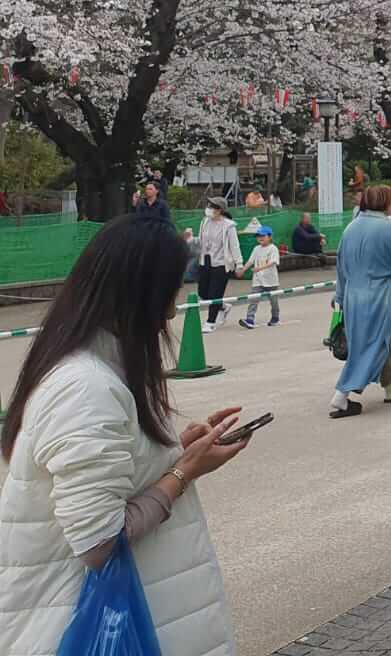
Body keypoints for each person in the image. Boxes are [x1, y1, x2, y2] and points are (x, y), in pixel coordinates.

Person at [0, 216, 250, 656]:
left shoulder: (91, 369)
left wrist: (176, 449)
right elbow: (97, 540)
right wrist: (184, 471)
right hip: (83, 623)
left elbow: (111, 473)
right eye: (169, 292)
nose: (172, 311)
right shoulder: (85, 388)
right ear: (137, 296)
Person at [330, 185, 391, 418]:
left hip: (353, 294)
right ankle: (341, 395)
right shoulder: (388, 229)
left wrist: (339, 295)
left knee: (371, 342)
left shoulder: (351, 227)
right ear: (385, 202)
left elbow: (340, 265)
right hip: (379, 295)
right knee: (374, 343)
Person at [196, 196, 241, 332]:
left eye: (212, 206)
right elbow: (200, 240)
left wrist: (239, 264)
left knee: (215, 293)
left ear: (219, 210)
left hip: (222, 263)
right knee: (203, 292)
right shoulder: (205, 222)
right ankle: (223, 306)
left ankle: (210, 322)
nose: (208, 209)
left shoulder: (228, 226)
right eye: (208, 205)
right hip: (206, 260)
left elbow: (235, 245)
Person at [240, 225, 281, 328]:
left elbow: (273, 262)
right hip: (258, 280)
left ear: (270, 236)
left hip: (271, 281)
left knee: (274, 302)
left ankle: (275, 318)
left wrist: (260, 268)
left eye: (263, 235)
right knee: (253, 299)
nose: (260, 238)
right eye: (258, 236)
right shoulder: (256, 249)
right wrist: (242, 270)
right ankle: (250, 319)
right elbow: (250, 261)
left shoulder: (273, 248)